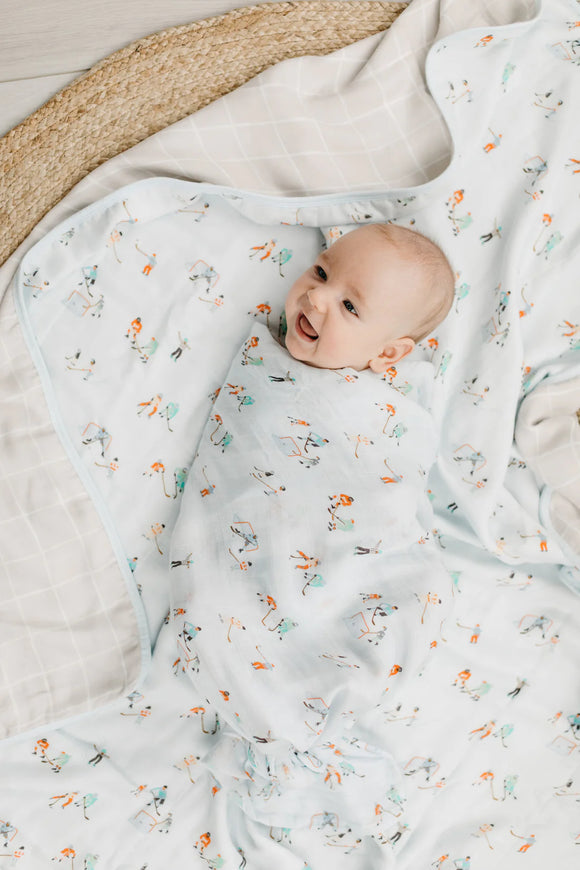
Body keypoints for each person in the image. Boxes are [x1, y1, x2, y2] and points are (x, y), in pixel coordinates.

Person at [284, 223, 454, 372]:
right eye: (322, 273)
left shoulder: (367, 397)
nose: (316, 296)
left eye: (349, 306)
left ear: (386, 353)